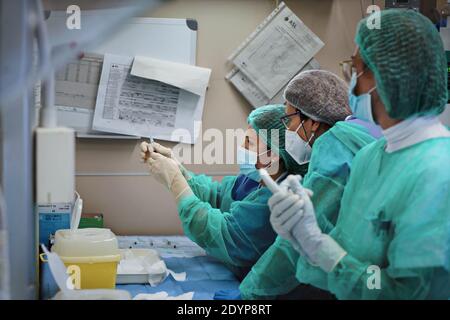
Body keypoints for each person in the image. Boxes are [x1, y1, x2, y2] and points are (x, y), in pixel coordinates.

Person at [268, 9, 450, 299]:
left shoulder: (439, 173)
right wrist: (304, 236)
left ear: (389, 77)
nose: (349, 82)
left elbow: (406, 294)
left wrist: (316, 244)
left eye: (355, 68)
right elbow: (345, 256)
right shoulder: (370, 156)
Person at [238, 70, 381, 300]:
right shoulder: (367, 131)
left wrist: (251, 292)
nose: (287, 130)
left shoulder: (336, 144)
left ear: (312, 122)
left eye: (289, 120)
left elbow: (301, 240)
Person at [140, 104, 307, 279]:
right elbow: (216, 197)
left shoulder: (277, 201)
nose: (241, 146)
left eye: (249, 142)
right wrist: (178, 168)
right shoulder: (253, 180)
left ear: (273, 155)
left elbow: (222, 234)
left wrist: (175, 181)